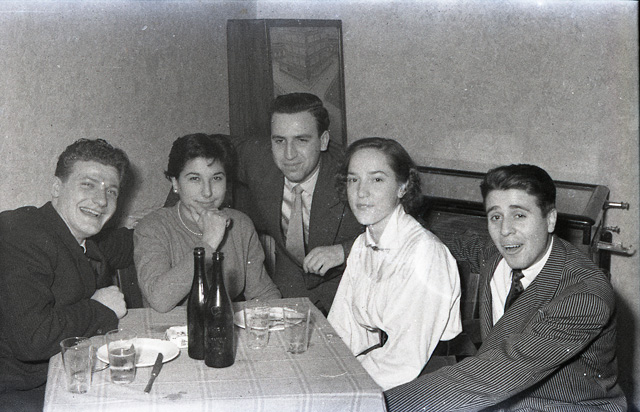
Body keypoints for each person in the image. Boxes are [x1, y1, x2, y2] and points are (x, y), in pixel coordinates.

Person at [385, 164, 627, 411]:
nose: (505, 230)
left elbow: (495, 375)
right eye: (495, 217)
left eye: (519, 215)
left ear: (550, 219)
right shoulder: (494, 256)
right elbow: (437, 241)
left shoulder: (586, 294)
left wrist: (380, 404)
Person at [0, 139, 133, 410]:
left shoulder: (82, 241)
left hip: (59, 377)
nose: (101, 200)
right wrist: (100, 308)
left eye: (111, 191)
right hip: (17, 392)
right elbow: (33, 339)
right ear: (57, 188)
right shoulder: (22, 232)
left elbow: (131, 243)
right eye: (88, 184)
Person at [327, 137, 462, 390]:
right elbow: (343, 329)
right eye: (353, 179)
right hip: (382, 368)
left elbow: (404, 360)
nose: (361, 192)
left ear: (403, 187)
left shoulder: (425, 252)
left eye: (377, 180)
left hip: (428, 380)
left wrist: (342, 385)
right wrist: (327, 370)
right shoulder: (362, 245)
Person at [234, 92, 363, 313]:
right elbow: (203, 152)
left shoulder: (353, 171)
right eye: (279, 140)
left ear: (323, 141)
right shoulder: (257, 158)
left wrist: (345, 251)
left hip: (349, 290)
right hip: (290, 286)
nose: (288, 154)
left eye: (301, 140)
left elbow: (401, 231)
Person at [135, 134, 280, 313]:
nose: (207, 192)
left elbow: (263, 293)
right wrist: (208, 242)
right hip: (170, 328)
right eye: (195, 179)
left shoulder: (240, 224)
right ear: (175, 183)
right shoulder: (152, 228)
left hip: (222, 326)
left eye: (216, 178)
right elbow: (159, 301)